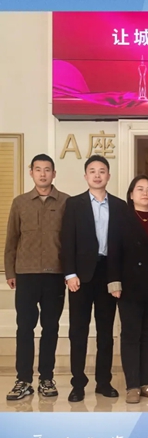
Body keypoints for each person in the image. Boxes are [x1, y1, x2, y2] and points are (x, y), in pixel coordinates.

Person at [61, 155, 127, 402]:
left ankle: (104, 382)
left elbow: (122, 246)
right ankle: (78, 383)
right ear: (86, 176)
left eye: (102, 171)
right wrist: (70, 274)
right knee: (78, 332)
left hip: (108, 276)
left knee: (106, 332)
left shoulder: (120, 206)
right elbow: (67, 241)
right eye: (92, 171)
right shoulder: (74, 204)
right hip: (80, 276)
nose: (97, 175)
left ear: (108, 176)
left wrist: (118, 278)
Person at [4, 154, 68, 400]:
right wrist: (10, 271)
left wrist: (71, 271)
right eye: (38, 169)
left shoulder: (66, 202)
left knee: (51, 327)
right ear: (31, 172)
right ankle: (23, 380)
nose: (43, 174)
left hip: (55, 275)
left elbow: (71, 241)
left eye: (47, 169)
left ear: (54, 173)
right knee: (24, 328)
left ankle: (46, 379)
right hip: (26, 274)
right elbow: (12, 240)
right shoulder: (20, 203)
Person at [107, 175, 148, 404]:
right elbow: (114, 252)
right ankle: (132, 385)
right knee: (131, 335)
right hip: (128, 287)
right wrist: (114, 281)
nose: (145, 193)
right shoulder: (120, 219)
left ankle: (145, 382)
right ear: (131, 195)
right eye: (140, 189)